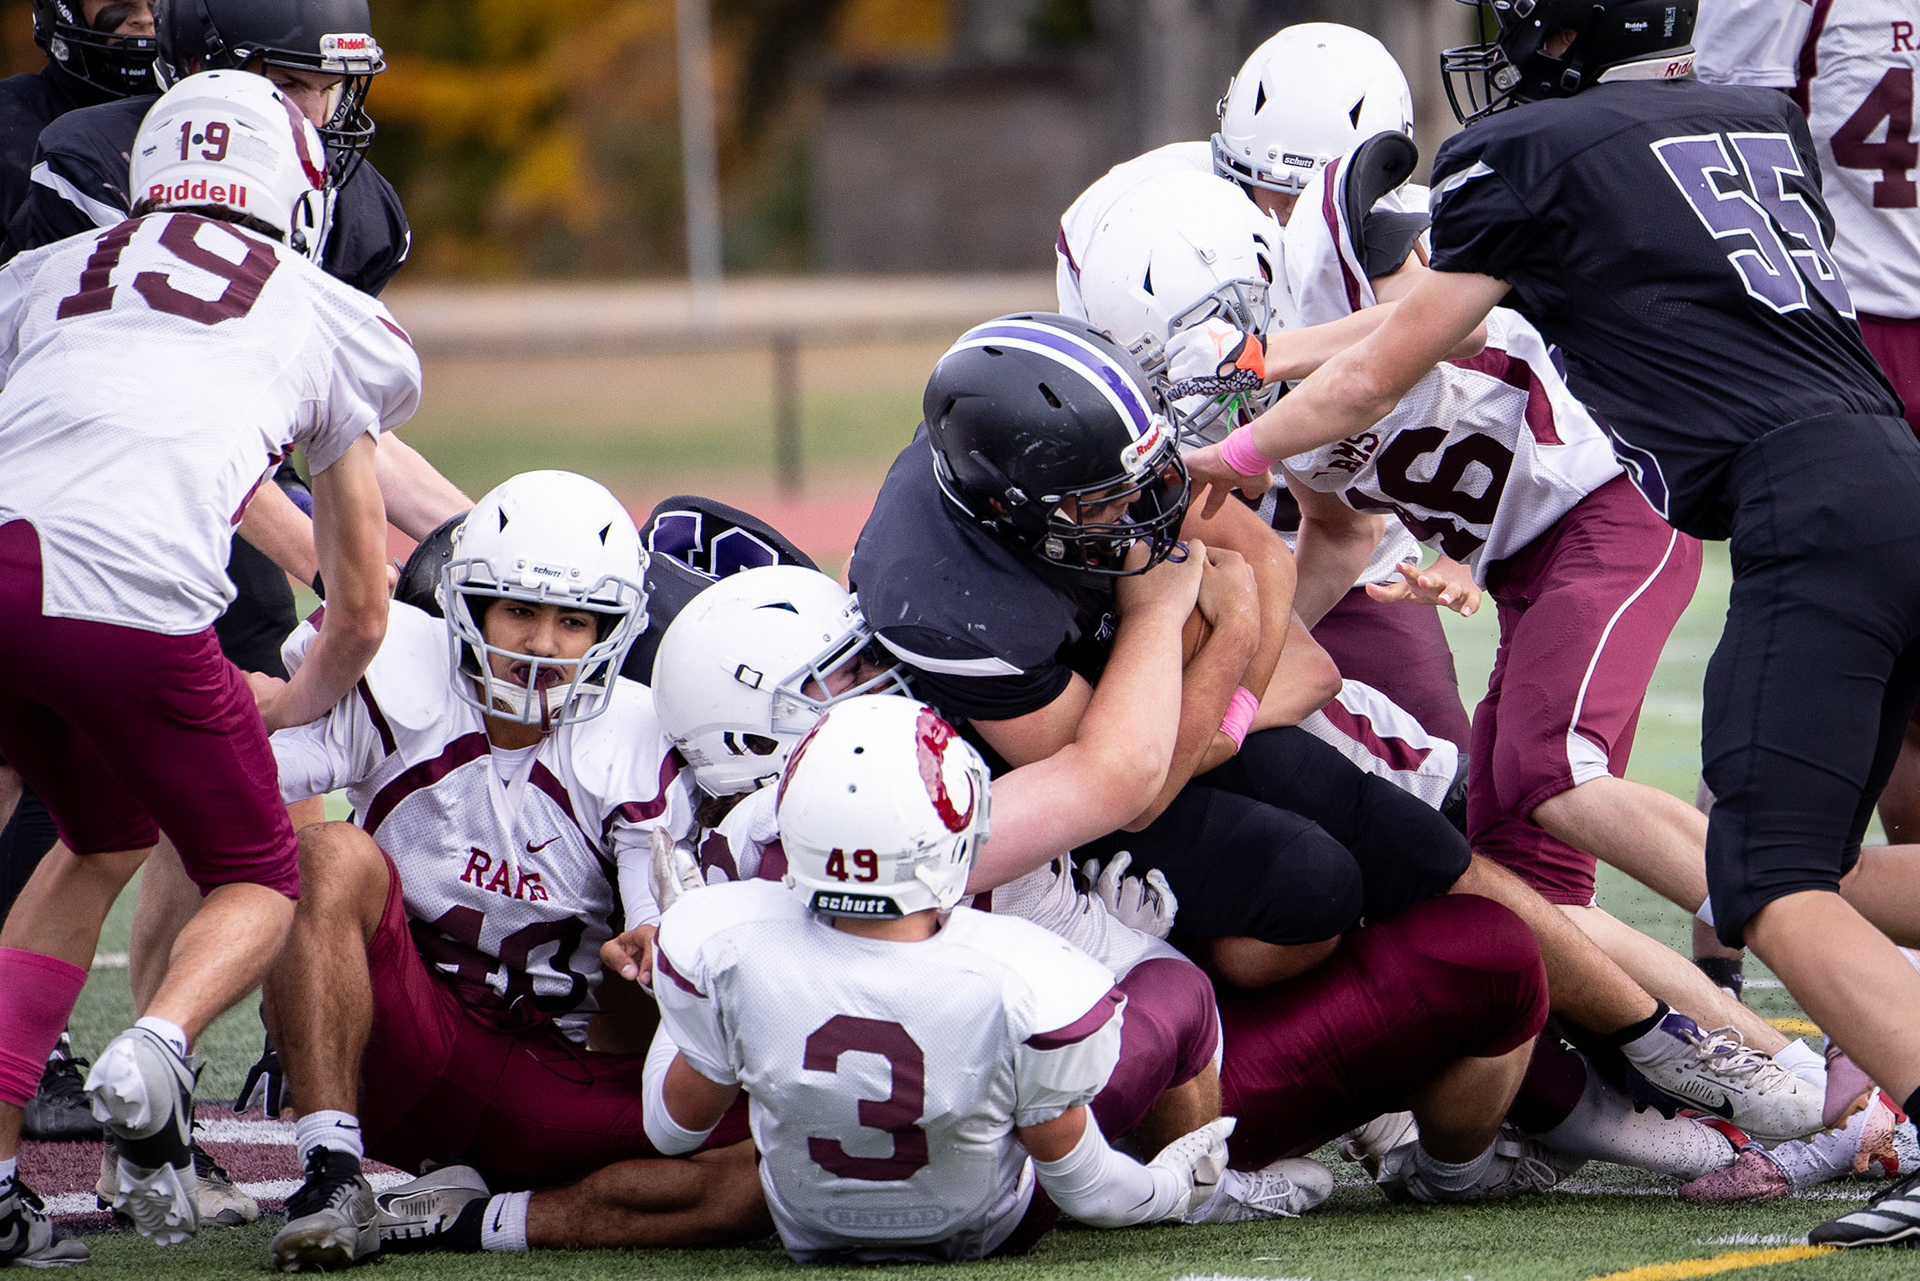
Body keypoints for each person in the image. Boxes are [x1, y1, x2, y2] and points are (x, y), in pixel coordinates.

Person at [1178, 0, 1920, 1249]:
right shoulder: (1754, 118)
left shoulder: (1520, 156)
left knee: (1752, 870)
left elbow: (1391, 365)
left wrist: (1224, 442)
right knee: (1799, 868)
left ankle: (1819, 1087)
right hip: (1885, 462)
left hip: (1786, 506)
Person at [850, 312, 1819, 1143]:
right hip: (1057, 842)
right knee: (1317, 888)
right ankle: (1430, 1115)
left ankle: (1666, 1039)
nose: (1152, 512)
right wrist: (1176, 619)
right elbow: (1121, 782)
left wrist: (1219, 698)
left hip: (1156, 732)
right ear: (1015, 514)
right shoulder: (952, 608)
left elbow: (1285, 628)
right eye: (1113, 503)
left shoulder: (1083, 460)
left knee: (1403, 832)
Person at [1153, 134, 1819, 1080]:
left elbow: (1452, 329)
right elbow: (1341, 532)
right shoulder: (1273, 405)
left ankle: (1831, 941)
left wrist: (1264, 368)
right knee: (1519, 877)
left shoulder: (1347, 257)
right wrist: (1255, 646)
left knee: (1557, 769)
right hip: (1527, 564)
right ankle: (1770, 1078)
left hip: (1612, 499)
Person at [0, 69, 412, 1262]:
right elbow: (362, 602)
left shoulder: (43, 274)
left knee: (99, 842)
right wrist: (299, 699)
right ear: (292, 187)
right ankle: (160, 1048)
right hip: (126, 600)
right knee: (260, 871)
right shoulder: (327, 312)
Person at [258, 472, 771, 1271]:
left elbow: (656, 899)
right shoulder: (404, 680)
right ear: (469, 605)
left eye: (574, 621)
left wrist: (652, 943)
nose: (540, 644)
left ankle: (470, 1221)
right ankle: (331, 1173)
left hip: (559, 1079)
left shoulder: (634, 735)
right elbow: (260, 777)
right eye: (521, 610)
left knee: (778, 1165)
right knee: (325, 852)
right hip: (403, 1045)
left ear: (613, 628)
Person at [648, 693, 1251, 1261]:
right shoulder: (1026, 969)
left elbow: (671, 1131)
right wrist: (1173, 1186)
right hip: (985, 1228)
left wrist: (685, 981)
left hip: (808, 1228)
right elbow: (1086, 1193)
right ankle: (1213, 1193)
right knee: (1181, 990)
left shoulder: (726, 937)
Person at [1053, 23, 1473, 748]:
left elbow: (1473, 347)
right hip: (1195, 533)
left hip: (1353, 543)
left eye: (1311, 199)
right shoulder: (1133, 220)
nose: (1286, 224)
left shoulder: (1409, 236)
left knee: (1442, 778)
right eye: (1269, 191)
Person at [1690, 0, 1920, 991]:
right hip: (1843, 338)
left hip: (1841, 337)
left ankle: (1833, 1003)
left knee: (1822, 668)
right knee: (1812, 670)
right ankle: (1725, 997)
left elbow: (1722, 144)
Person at [0, 0, 156, 1147]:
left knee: (206, 805)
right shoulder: (42, 144)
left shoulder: (251, 135)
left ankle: (159, 1043)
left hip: (189, 494)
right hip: (42, 479)